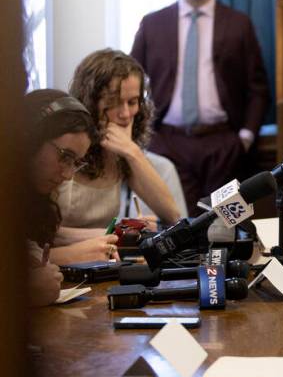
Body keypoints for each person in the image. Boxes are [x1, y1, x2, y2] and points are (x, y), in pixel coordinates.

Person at [132, 0, 270, 212]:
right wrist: (143, 138)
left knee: (229, 222)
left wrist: (244, 137)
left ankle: (228, 256)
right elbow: (130, 82)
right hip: (168, 144)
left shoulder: (239, 24)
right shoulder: (153, 24)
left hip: (224, 146)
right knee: (179, 224)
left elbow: (258, 87)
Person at [56, 50, 181, 249]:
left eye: (132, 102)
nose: (125, 114)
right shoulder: (66, 148)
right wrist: (112, 233)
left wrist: (132, 152)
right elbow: (46, 234)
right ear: (90, 102)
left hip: (101, 262)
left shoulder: (123, 155)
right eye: (113, 103)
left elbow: (172, 215)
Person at [23, 90, 109, 279]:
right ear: (30, 139)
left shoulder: (32, 196)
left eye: (76, 163)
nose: (69, 175)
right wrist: (69, 255)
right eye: (65, 156)